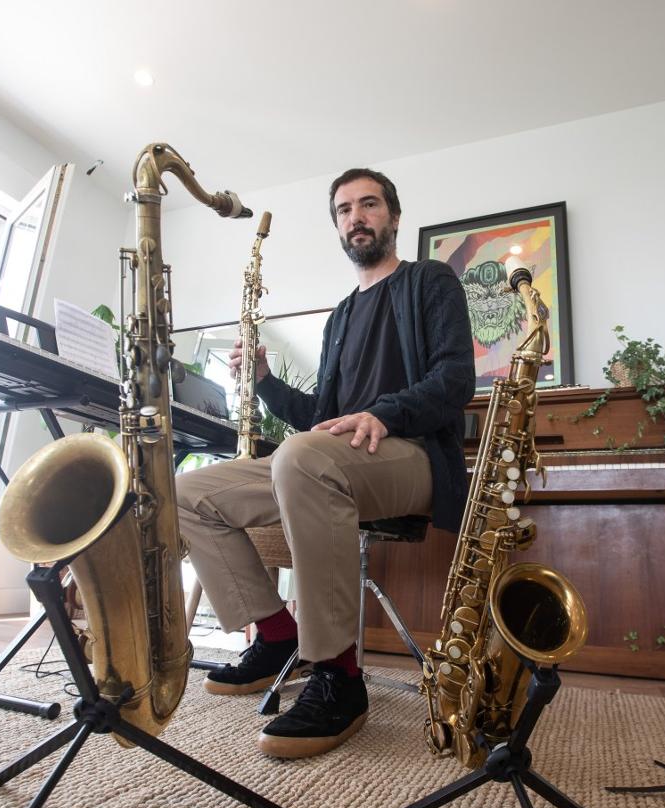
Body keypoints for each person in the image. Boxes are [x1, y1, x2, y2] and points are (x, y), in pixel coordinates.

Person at [175, 168, 475, 759]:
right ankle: (275, 632)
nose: (356, 216)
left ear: (393, 216)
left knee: (306, 456)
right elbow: (322, 414)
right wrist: (263, 382)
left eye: (369, 204)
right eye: (343, 209)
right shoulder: (339, 317)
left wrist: (386, 413)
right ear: (337, 225)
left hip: (409, 456)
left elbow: (454, 379)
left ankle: (338, 677)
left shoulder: (431, 282)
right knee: (191, 494)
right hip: (328, 457)